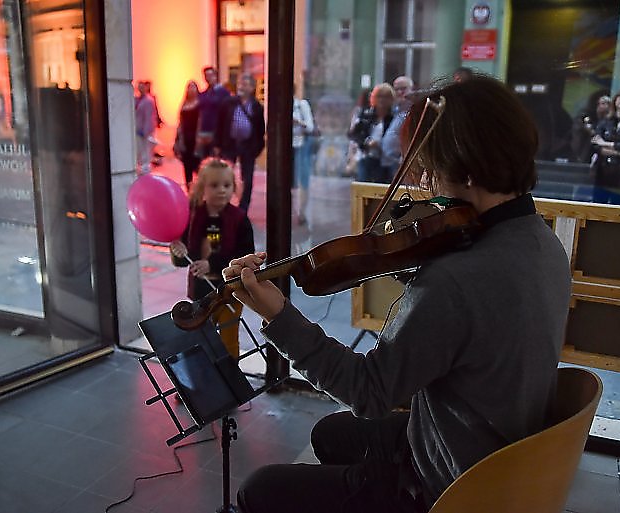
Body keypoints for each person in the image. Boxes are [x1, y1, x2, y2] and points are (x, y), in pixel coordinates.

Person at [227, 74, 572, 513]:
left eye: (428, 166)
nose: (424, 181)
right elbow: (471, 326)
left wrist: (279, 317)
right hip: (496, 449)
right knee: (329, 435)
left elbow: (369, 393)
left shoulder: (456, 279)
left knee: (258, 490)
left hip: (450, 481)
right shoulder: (544, 243)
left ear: (465, 168)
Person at [169, 158, 255, 358]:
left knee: (228, 339)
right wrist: (177, 251)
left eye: (227, 185)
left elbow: (245, 257)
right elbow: (183, 259)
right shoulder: (192, 218)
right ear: (202, 188)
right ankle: (204, 378)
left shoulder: (240, 220)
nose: (222, 190)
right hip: (201, 292)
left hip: (229, 292)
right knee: (200, 338)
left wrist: (212, 264)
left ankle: (230, 376)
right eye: (214, 185)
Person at [214, 73, 266, 213]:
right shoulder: (228, 103)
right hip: (229, 145)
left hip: (248, 146)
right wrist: (218, 145)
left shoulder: (257, 107)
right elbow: (220, 124)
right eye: (240, 83)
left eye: (246, 84)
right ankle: (224, 205)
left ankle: (243, 209)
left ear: (252, 87)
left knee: (247, 179)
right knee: (225, 176)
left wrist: (257, 148)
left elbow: (260, 129)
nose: (242, 86)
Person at [589, 88, 620, 204]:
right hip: (602, 172)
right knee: (598, 205)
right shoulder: (605, 122)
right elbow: (596, 145)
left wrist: (606, 144)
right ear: (615, 100)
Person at [348, 83, 395, 183]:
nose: (382, 100)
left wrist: (381, 145)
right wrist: (366, 142)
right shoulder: (366, 115)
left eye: (386, 97)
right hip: (365, 156)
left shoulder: (393, 118)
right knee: (363, 183)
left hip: (384, 159)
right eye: (379, 96)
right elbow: (354, 134)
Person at [381, 76, 414, 178]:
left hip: (401, 162)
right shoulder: (395, 109)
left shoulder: (414, 110)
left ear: (411, 89)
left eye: (403, 88)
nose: (400, 92)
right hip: (387, 160)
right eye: (396, 89)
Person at [292, 84, 316, 225]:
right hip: (286, 148)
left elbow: (310, 126)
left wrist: (298, 122)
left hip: (301, 145)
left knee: (302, 180)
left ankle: (301, 212)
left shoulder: (301, 105)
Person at [196, 66, 231, 159]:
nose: (208, 78)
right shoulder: (202, 94)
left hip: (216, 131)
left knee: (215, 161)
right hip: (203, 132)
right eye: (206, 76)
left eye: (211, 75)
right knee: (204, 160)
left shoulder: (223, 93)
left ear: (216, 76)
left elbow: (227, 113)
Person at [174, 80, 202, 188]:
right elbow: (180, 123)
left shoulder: (199, 104)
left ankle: (200, 192)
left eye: (193, 87)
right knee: (187, 166)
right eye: (189, 87)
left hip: (197, 139)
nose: (191, 89)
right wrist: (177, 140)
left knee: (198, 166)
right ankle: (189, 190)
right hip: (185, 138)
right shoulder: (184, 104)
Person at [134, 80, 156, 175]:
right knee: (140, 154)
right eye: (139, 87)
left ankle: (146, 174)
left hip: (145, 132)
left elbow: (149, 117)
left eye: (142, 86)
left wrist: (146, 131)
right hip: (138, 130)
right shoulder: (138, 99)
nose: (140, 88)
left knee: (146, 154)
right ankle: (142, 172)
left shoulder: (148, 100)